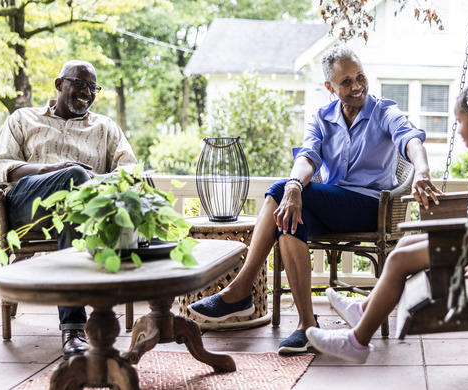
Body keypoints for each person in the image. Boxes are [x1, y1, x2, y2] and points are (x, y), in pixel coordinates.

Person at [187, 46, 442, 354]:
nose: (357, 86)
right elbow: (308, 156)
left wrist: (422, 171)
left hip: (370, 207)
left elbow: (411, 140)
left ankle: (240, 289)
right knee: (287, 216)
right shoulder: (322, 117)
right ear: (330, 88)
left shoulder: (384, 111)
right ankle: (306, 326)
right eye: (346, 82)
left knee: (281, 190)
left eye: (360, 77)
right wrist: (295, 184)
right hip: (334, 206)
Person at [305, 75, 468, 364]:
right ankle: (363, 309)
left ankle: (357, 342)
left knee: (398, 262)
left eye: (458, 122)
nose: (457, 130)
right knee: (404, 245)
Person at [0, 60, 137, 360]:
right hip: (28, 205)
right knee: (72, 179)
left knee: (75, 197)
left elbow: (129, 171)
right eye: (80, 84)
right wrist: (53, 169)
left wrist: (90, 181)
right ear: (59, 84)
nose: (87, 92)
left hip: (82, 209)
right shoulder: (23, 119)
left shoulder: (105, 127)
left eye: (93, 87)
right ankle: (73, 328)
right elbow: (2, 166)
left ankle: (72, 329)